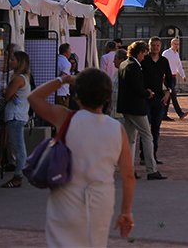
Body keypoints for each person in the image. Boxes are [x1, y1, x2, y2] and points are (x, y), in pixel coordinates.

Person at [29, 68, 135, 248]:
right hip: (100, 196)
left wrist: (64, 79)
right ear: (107, 97)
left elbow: (34, 98)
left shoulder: (66, 118)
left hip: (66, 194)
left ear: (77, 95)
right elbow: (128, 176)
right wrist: (126, 211)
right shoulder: (117, 129)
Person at [118, 41, 166, 180]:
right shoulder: (134, 67)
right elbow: (137, 88)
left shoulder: (124, 64)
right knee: (147, 136)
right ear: (139, 52)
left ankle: (128, 169)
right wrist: (148, 93)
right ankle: (151, 170)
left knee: (130, 139)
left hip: (126, 106)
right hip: (136, 107)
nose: (144, 56)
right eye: (144, 53)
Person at [1, 50, 31, 188]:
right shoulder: (24, 78)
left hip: (15, 115)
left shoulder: (18, 79)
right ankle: (19, 172)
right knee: (17, 145)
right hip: (18, 114)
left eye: (13, 60)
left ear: (20, 62)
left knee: (18, 146)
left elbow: (7, 94)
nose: (11, 62)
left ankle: (18, 174)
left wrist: (6, 92)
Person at [141, 37, 171, 161]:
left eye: (158, 45)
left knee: (156, 128)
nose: (155, 48)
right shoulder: (144, 60)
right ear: (149, 46)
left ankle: (153, 155)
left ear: (160, 47)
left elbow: (169, 77)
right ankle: (144, 155)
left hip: (159, 98)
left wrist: (168, 91)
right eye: (153, 45)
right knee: (145, 128)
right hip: (146, 97)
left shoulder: (164, 61)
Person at [161, 37, 188, 120]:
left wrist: (183, 75)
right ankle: (180, 113)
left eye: (178, 44)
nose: (177, 45)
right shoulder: (166, 53)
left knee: (168, 97)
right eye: (175, 44)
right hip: (167, 77)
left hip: (173, 77)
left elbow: (179, 66)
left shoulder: (176, 54)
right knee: (173, 95)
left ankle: (164, 114)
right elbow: (161, 64)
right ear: (171, 44)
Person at [108, 49, 128, 121]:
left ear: (122, 60)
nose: (113, 61)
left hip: (122, 113)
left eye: (115, 59)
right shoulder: (117, 72)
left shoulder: (126, 73)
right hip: (114, 110)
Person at [55, 43, 72, 107]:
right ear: (65, 52)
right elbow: (63, 78)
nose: (70, 52)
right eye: (70, 50)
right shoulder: (66, 63)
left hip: (53, 92)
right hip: (62, 92)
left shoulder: (55, 59)